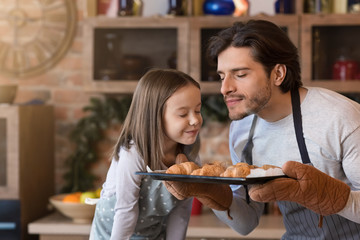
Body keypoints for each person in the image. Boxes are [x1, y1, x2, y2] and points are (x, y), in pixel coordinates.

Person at [204, 19, 360, 239]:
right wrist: (213, 195)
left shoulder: (339, 118)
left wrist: (334, 198)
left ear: (278, 74)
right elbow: (246, 223)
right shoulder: (241, 130)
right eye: (222, 76)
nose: (225, 88)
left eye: (240, 75)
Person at [89, 68, 204, 239]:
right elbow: (126, 212)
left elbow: (181, 211)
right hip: (113, 234)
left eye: (197, 110)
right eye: (182, 114)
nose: (195, 120)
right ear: (155, 116)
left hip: (151, 234)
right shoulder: (133, 153)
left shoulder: (190, 157)